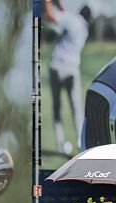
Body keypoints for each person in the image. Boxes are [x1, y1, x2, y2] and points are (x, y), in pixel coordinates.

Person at [43, 0, 90, 155]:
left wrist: (48, 1)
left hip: (57, 66)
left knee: (57, 108)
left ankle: (60, 144)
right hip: (72, 70)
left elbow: (51, 15)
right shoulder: (85, 29)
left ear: (79, 12)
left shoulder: (73, 19)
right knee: (77, 109)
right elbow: (64, 13)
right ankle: (81, 142)